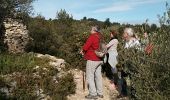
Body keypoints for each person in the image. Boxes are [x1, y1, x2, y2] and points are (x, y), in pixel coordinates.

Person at [80, 26, 103, 99]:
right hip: (100, 59)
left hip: (92, 59)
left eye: (91, 29)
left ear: (94, 30)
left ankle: (93, 94)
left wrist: (82, 50)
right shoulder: (101, 37)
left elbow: (86, 47)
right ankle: (100, 93)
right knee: (98, 76)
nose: (90, 30)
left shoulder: (92, 36)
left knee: (90, 76)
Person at [117, 27, 141, 98]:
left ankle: (134, 96)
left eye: (124, 33)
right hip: (125, 64)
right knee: (122, 78)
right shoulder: (126, 42)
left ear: (128, 34)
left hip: (132, 65)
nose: (123, 35)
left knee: (133, 80)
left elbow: (138, 54)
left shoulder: (135, 42)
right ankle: (123, 93)